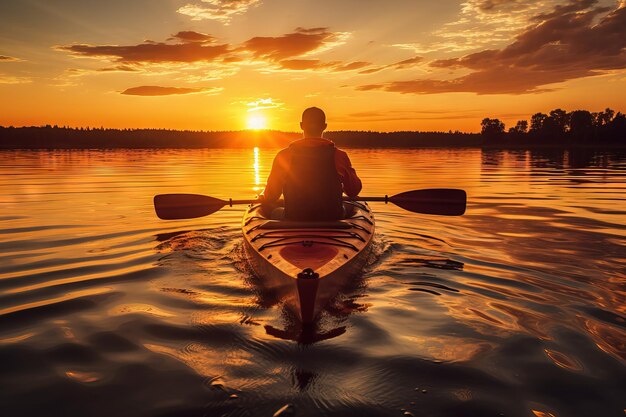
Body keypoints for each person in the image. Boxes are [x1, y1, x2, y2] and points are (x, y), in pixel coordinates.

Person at [260, 107, 362, 221]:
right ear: (324, 126)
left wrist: (263, 197)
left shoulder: (284, 155)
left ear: (301, 125)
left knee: (268, 207)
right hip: (332, 218)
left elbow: (271, 196)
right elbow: (354, 191)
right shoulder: (339, 155)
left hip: (294, 218)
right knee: (354, 204)